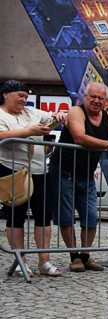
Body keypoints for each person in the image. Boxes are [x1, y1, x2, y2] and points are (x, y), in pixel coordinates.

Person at [50, 82, 108, 272]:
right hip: (63, 170)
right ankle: (74, 257)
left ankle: (85, 256)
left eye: (100, 98)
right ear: (85, 97)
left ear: (106, 101)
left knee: (91, 216)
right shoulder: (76, 112)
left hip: (86, 174)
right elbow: (79, 137)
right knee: (66, 216)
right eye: (93, 97)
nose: (96, 101)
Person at [0, 80, 66, 276]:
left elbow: (52, 118)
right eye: (20, 95)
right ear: (5, 94)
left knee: (44, 216)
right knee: (16, 216)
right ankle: (20, 260)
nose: (23, 99)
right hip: (11, 170)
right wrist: (29, 131)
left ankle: (43, 261)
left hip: (38, 170)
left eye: (26, 96)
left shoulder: (33, 112)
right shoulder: (1, 114)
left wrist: (59, 116)